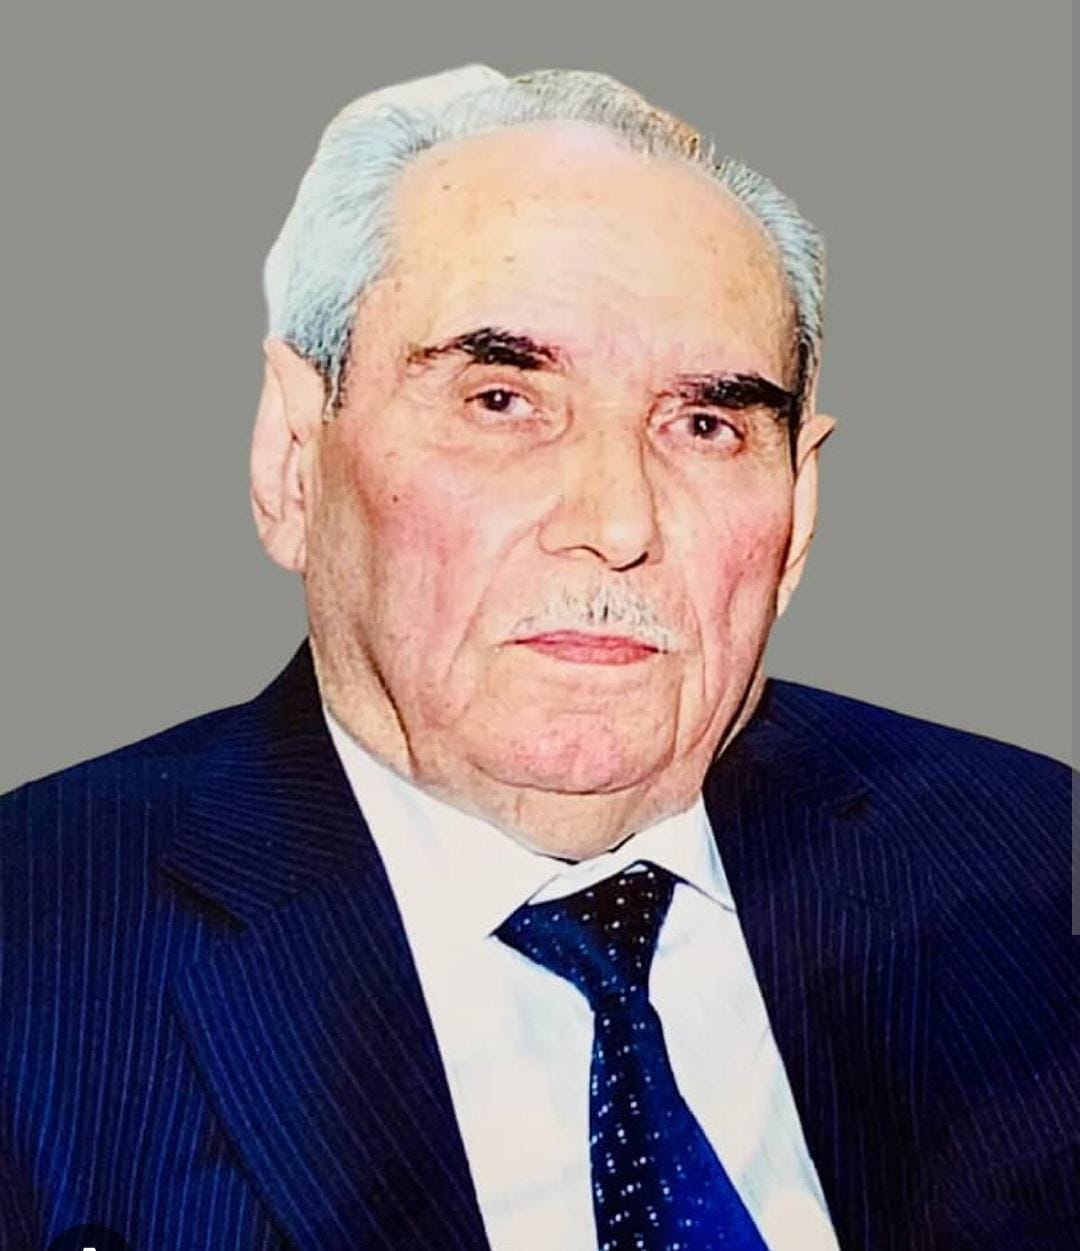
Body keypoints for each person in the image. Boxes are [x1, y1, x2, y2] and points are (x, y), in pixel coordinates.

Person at [0, 64, 1073, 1251]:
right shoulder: (35, 950)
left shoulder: (1029, 860)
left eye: (706, 424)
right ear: (294, 458)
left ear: (800, 510)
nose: (617, 522)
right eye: (502, 400)